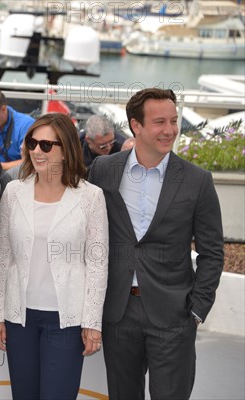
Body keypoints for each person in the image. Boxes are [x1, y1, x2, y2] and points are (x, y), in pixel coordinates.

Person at [88, 88, 224, 399]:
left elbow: (212, 252)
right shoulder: (104, 170)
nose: (170, 130)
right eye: (159, 121)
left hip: (174, 314)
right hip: (118, 312)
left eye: (174, 121)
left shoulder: (197, 180)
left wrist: (197, 310)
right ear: (135, 125)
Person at [0, 113, 108, 399]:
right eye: (32, 143)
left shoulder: (91, 197)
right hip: (19, 319)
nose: (36, 151)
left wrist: (92, 322)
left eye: (46, 145)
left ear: (66, 150)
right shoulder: (14, 192)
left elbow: (97, 263)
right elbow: (3, 256)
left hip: (66, 320)